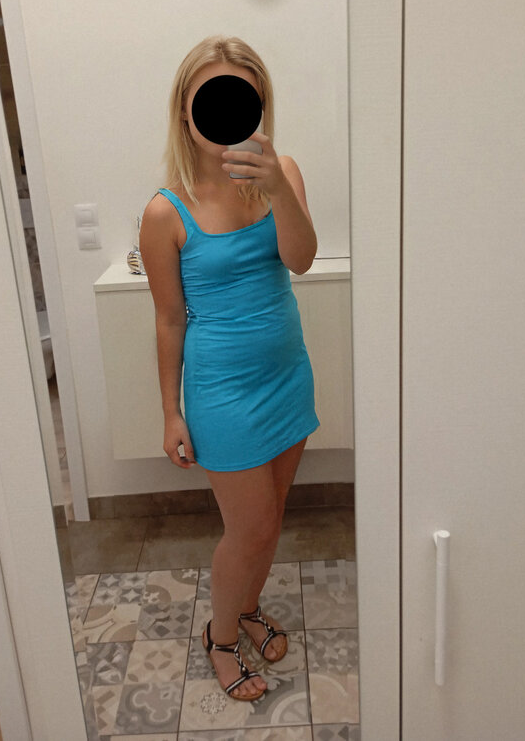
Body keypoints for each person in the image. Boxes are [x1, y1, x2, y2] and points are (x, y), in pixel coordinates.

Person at [139, 34, 320, 701]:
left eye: (241, 97)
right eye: (209, 98)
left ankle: (246, 607)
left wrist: (276, 188)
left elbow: (301, 260)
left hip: (287, 375)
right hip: (223, 393)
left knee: (272, 517)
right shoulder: (166, 211)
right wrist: (170, 412)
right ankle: (219, 639)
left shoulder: (283, 172)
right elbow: (169, 319)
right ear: (185, 111)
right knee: (248, 528)